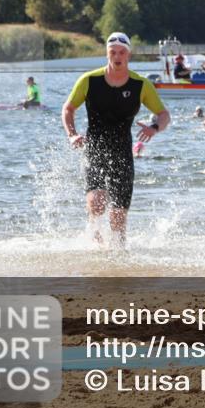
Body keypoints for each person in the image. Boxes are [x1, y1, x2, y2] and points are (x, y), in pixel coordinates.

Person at [62, 32, 170, 247]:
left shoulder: (141, 85)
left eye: (122, 52)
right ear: (107, 54)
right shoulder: (89, 80)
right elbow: (68, 108)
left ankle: (119, 260)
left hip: (123, 151)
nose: (117, 57)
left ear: (128, 55)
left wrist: (155, 128)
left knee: (118, 216)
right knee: (97, 203)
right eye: (113, 52)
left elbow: (164, 114)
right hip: (95, 148)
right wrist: (72, 134)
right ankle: (94, 239)